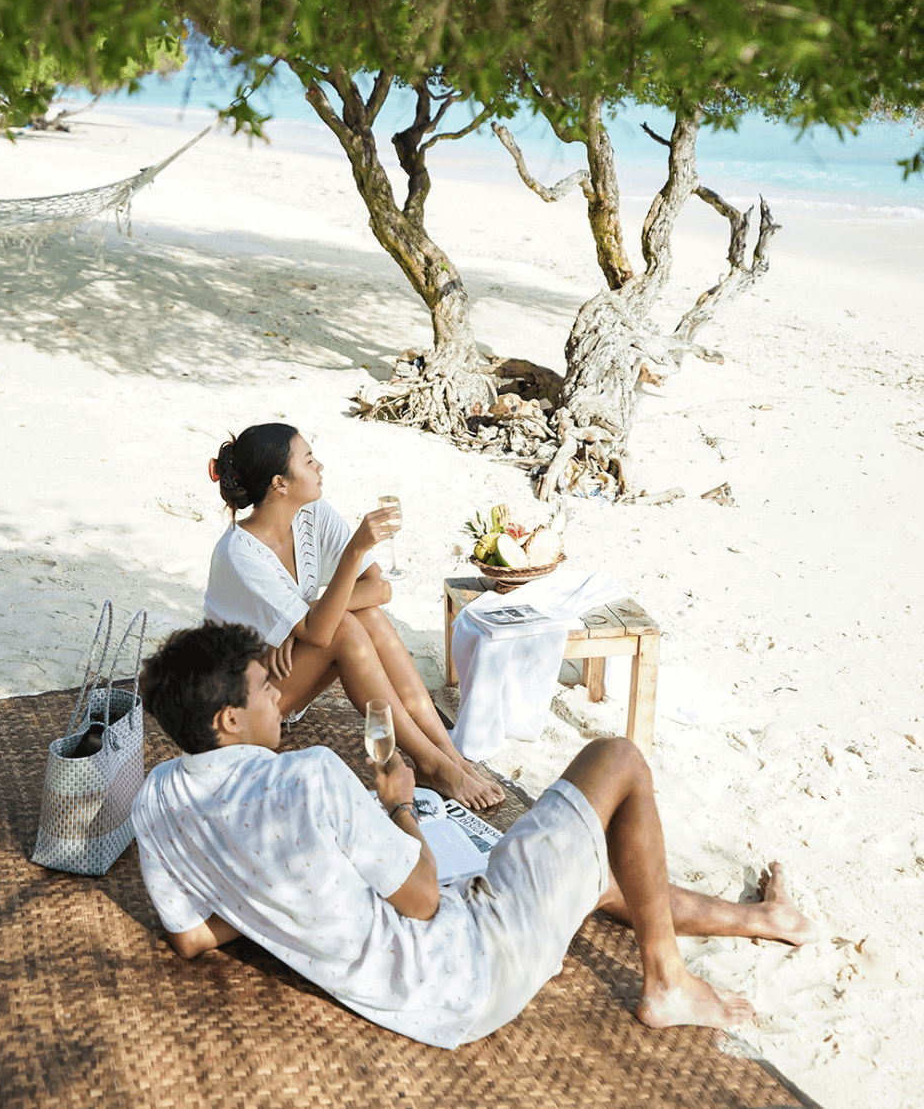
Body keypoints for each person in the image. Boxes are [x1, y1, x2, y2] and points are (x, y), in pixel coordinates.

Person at [132, 623, 819, 1050]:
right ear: (227, 721)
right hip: (469, 965)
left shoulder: (155, 799)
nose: (278, 698)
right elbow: (423, 899)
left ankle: (763, 920)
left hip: (407, 998)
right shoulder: (306, 776)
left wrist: (279, 893)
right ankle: (667, 981)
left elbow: (190, 937)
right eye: (263, 690)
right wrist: (401, 806)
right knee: (618, 760)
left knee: (594, 872)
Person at [203, 422, 502, 810]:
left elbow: (379, 588)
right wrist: (354, 551)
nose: (320, 467)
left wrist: (304, 617)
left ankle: (447, 753)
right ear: (280, 484)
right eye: (309, 461)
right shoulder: (238, 553)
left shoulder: (312, 514)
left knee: (368, 617)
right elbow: (322, 631)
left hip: (282, 678)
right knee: (343, 626)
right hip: (237, 706)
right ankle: (430, 763)